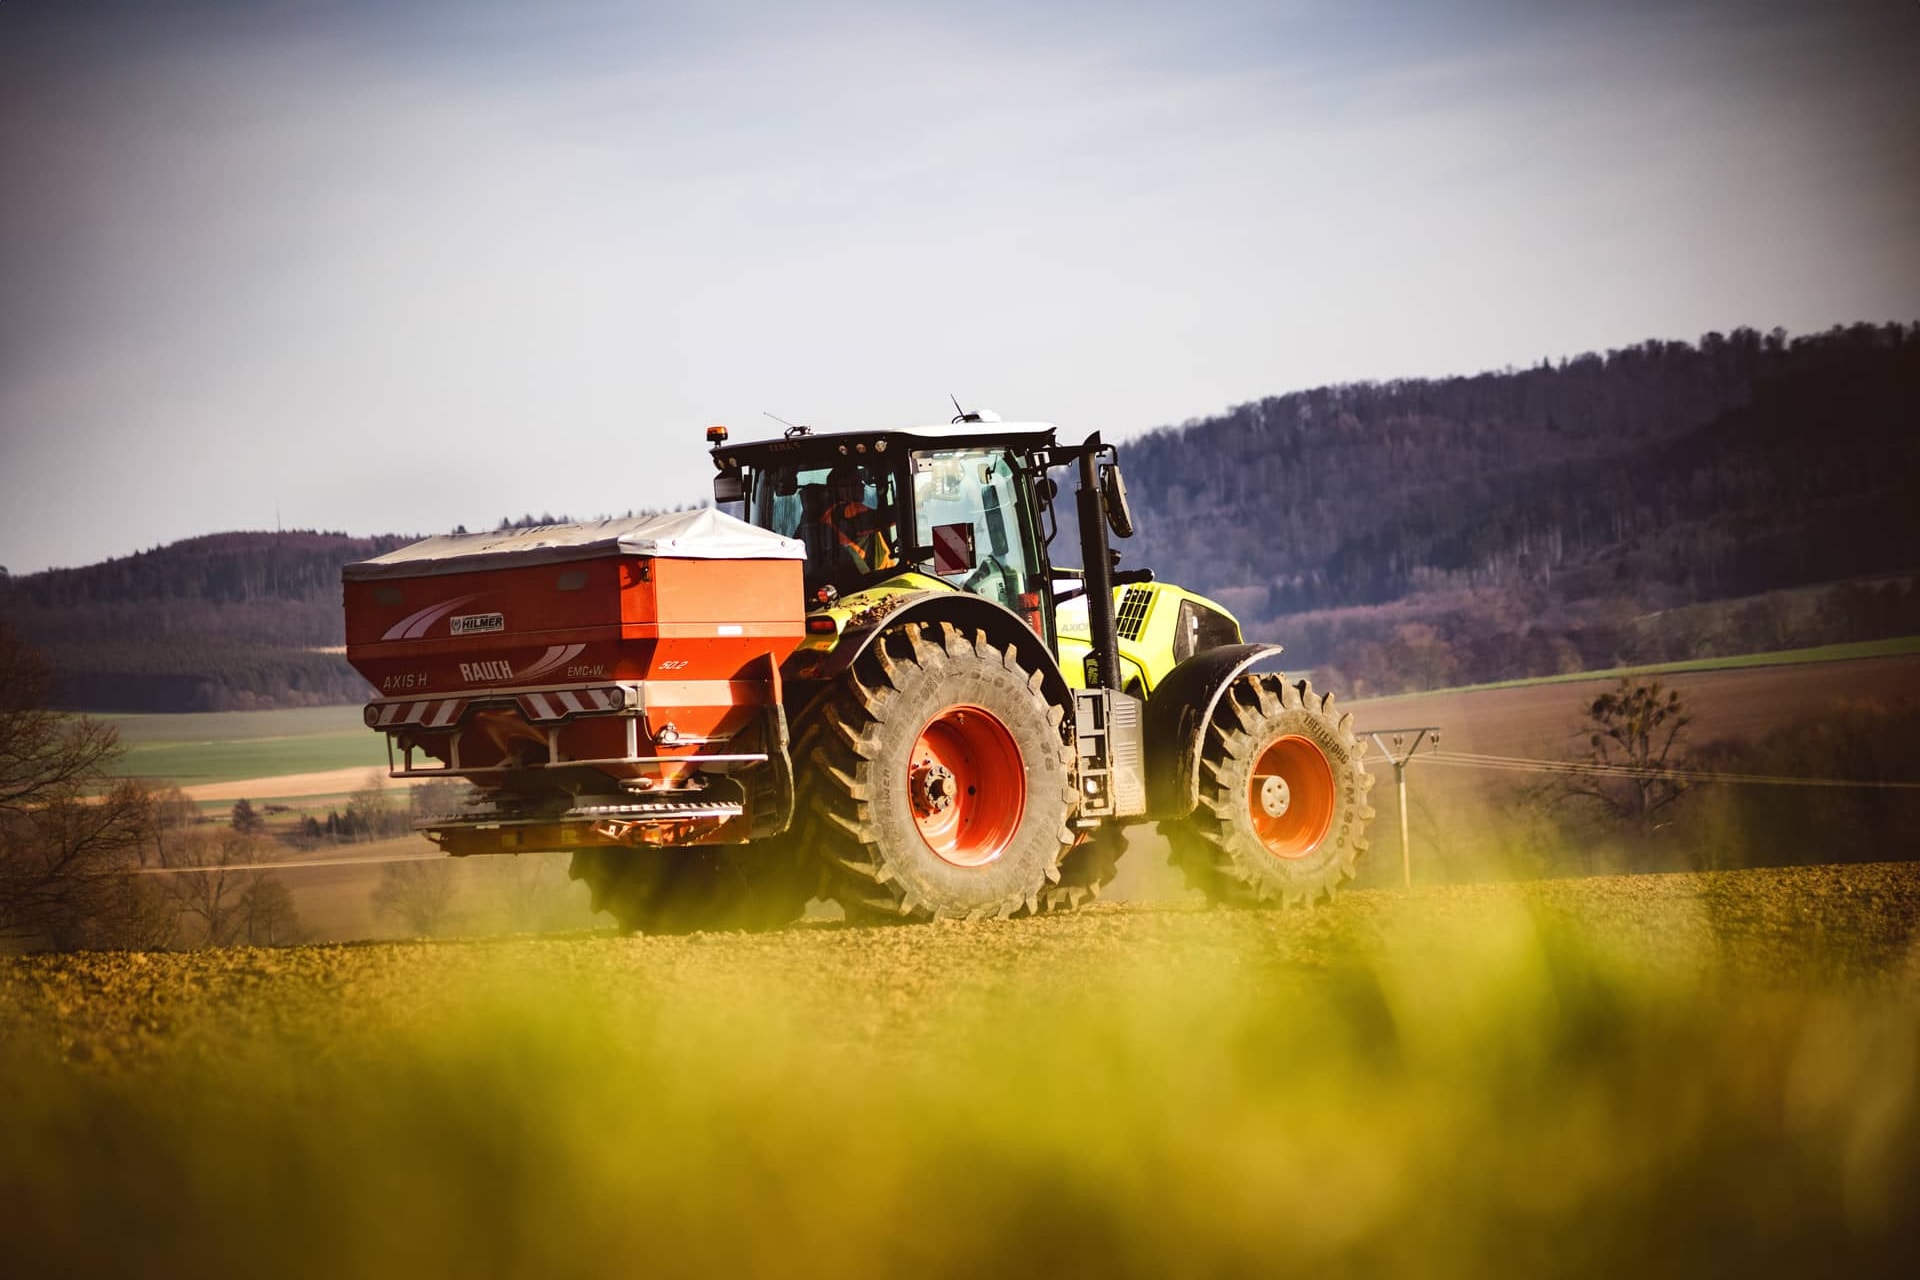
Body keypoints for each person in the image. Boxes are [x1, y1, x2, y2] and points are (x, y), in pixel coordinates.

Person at [820, 463, 897, 575]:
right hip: (874, 576)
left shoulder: (828, 514)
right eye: (857, 482)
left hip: (863, 572)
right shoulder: (848, 511)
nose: (862, 486)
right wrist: (912, 503)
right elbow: (886, 518)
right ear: (841, 488)